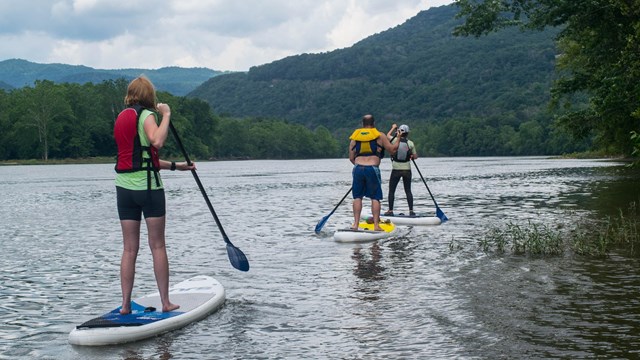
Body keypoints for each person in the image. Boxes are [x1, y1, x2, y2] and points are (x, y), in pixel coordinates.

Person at [113, 76, 195, 315]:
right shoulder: (147, 116)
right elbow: (156, 142)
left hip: (124, 189)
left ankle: (126, 306)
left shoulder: (122, 116)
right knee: (157, 246)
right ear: (149, 95)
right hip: (148, 189)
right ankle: (166, 302)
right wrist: (166, 114)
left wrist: (177, 166)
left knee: (129, 249)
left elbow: (142, 157)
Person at [348, 114, 400, 231]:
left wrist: (360, 167)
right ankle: (376, 226)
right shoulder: (380, 136)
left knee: (357, 197)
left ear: (362, 124)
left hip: (357, 168)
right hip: (372, 168)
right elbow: (392, 150)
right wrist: (399, 139)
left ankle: (355, 225)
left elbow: (351, 157)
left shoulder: (355, 137)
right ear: (374, 123)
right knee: (375, 197)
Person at [384, 124, 417, 216]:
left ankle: (390, 211)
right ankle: (411, 211)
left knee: (392, 190)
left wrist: (393, 128)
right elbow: (415, 157)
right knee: (408, 190)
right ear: (407, 133)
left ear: (399, 132)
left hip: (396, 170)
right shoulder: (410, 143)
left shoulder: (395, 140)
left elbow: (387, 136)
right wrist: (410, 155)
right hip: (407, 170)